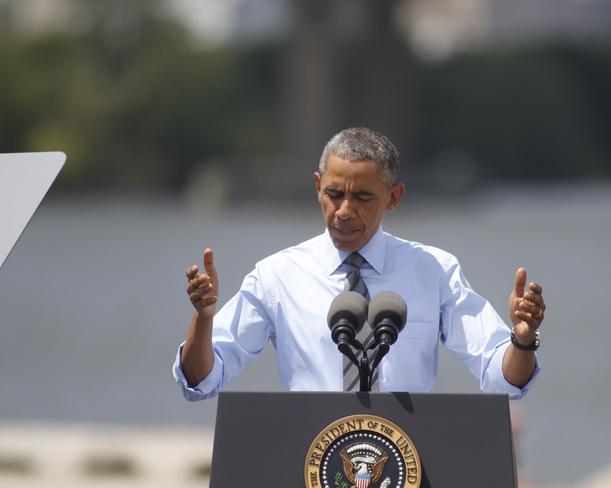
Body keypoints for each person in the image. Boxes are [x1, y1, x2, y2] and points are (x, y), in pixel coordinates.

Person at [173, 127, 543, 400]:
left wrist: (523, 341)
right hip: (309, 462)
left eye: (363, 197)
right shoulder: (276, 276)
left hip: (408, 461)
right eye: (334, 194)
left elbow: (502, 378)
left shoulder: (434, 271)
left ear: (394, 197)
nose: (344, 211)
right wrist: (203, 318)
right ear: (318, 186)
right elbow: (201, 380)